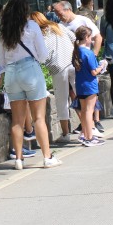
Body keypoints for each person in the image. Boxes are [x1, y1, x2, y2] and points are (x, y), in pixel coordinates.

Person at [0, 0, 61, 170]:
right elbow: (43, 55)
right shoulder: (31, 26)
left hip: (11, 74)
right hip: (30, 70)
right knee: (38, 117)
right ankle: (47, 157)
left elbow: (1, 60)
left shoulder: (3, 31)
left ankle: (18, 159)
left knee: (17, 120)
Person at [31, 10, 77, 144]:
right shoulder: (59, 26)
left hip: (58, 68)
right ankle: (88, 129)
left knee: (62, 101)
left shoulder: (42, 35)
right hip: (72, 64)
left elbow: (42, 55)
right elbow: (74, 38)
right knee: (80, 97)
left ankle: (66, 133)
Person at [72, 26, 106, 146]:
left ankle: (85, 135)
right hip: (90, 85)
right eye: (90, 37)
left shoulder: (76, 52)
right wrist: (102, 66)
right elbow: (94, 72)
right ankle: (89, 137)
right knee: (89, 111)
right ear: (86, 37)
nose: (91, 39)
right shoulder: (88, 53)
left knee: (84, 110)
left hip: (80, 84)